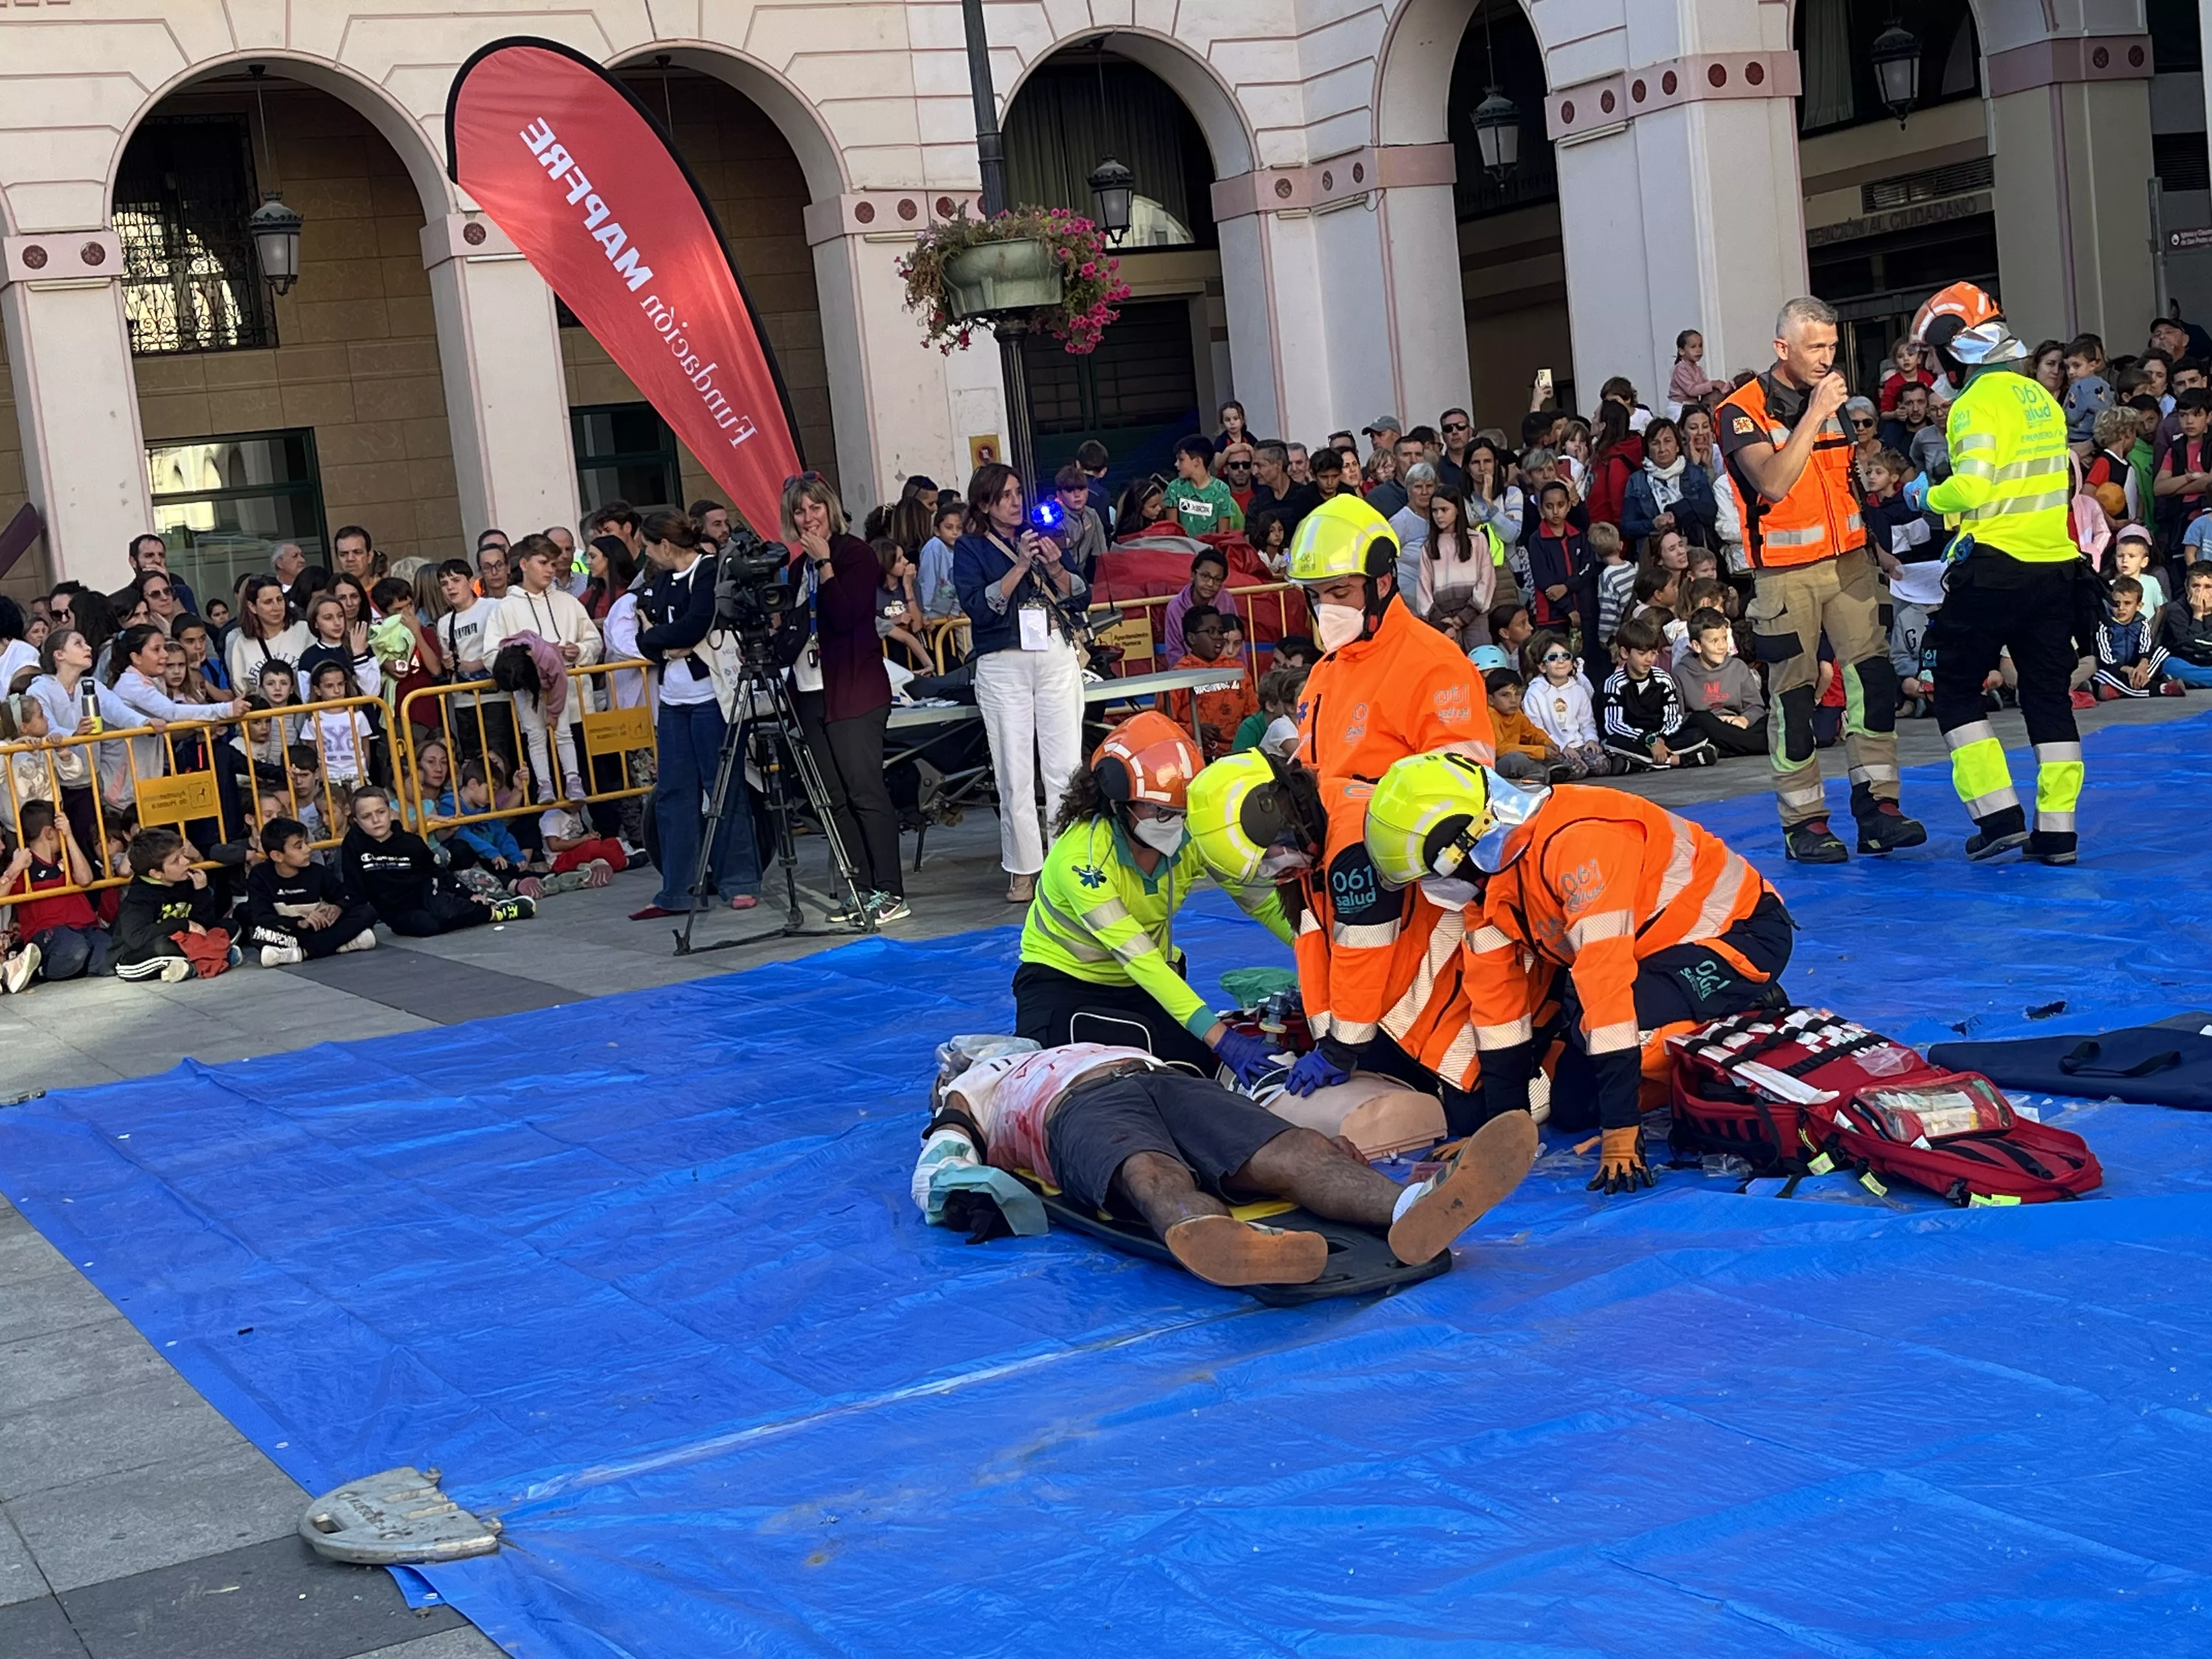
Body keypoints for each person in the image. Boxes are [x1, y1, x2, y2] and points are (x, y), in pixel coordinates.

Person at [1368, 751, 1793, 1193]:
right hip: (1649, 956)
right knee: (1573, 1108)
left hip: (1737, 937)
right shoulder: (1486, 889)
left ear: (1463, 844)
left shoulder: (1582, 844)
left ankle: (1749, 1008)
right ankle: (1682, 1038)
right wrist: (1500, 1135)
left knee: (1626, 1036)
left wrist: (1622, 1135)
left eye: (1430, 876)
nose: (1430, 891)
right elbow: (1497, 1009)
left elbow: (1608, 993)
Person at [918, 1038, 1536, 1288]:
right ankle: (1233, 1241)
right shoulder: (972, 1090)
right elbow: (941, 1161)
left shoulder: (1076, 1045)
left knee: (1295, 1150)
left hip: (1160, 1080)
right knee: (1149, 1170)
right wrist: (965, 1190)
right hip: (1073, 1110)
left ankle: (1412, 1206)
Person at [1280, 495, 1495, 1106]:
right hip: (1345, 901)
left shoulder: (1433, 665)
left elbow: (1460, 799)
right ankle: (1346, 1035)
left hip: (1410, 896)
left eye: (1339, 592)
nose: (1327, 607)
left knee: (1432, 1056)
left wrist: (1357, 809)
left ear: (1379, 583)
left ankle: (1359, 1040)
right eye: (1316, 593)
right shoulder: (1328, 671)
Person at [1718, 296, 1922, 862]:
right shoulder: (1742, 410)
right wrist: (1813, 414)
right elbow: (1774, 484)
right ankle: (1803, 821)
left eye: (1832, 347)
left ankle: (1879, 807)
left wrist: (1877, 547)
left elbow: (1845, 484)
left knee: (1873, 683)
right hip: (1786, 575)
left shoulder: (1828, 399)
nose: (1827, 358)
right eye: (1815, 347)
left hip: (1852, 561)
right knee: (1794, 699)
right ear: (1783, 348)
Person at [1906, 281, 2089, 865]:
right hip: (2055, 568)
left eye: (1936, 358)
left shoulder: (1975, 404)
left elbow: (1975, 486)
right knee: (2046, 697)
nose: (1936, 372)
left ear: (1957, 349)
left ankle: (1998, 816)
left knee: (1955, 687)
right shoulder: (2040, 398)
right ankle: (2058, 835)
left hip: (1994, 569)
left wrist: (1924, 496)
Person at [1014, 713, 1290, 1076]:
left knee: (1191, 1068)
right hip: (1066, 985)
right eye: (1160, 812)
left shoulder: (1190, 836)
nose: (1175, 822)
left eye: (1181, 811)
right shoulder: (1083, 860)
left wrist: (1322, 952)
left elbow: (1264, 903)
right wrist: (1224, 1040)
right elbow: (1138, 957)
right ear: (1118, 801)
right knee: (1089, 1079)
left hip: (1145, 984)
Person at [954, 461, 1090, 905]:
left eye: (1018, 493)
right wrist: (1018, 565)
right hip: (1003, 661)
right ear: (985, 503)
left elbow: (1079, 593)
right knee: (1013, 769)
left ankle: (1068, 860)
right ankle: (1023, 869)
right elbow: (980, 607)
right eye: (1005, 495)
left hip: (1053, 653)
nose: (1015, 503)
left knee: (1065, 765)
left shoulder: (1043, 535)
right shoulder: (971, 549)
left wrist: (1053, 567)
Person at [627, 508, 760, 921]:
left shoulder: (708, 572)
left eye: (649, 547)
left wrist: (661, 638)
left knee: (722, 785)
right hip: (674, 700)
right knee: (672, 793)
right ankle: (678, 887)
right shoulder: (661, 582)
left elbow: (697, 624)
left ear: (664, 545)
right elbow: (645, 638)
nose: (648, 556)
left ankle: (740, 880)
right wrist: (665, 643)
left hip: (709, 698)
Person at [783, 476, 906, 923]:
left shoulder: (854, 554)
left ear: (830, 510)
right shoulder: (798, 569)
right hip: (811, 692)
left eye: (815, 508)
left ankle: (891, 891)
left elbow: (848, 615)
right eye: (800, 511)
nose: (808, 518)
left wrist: (827, 565)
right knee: (834, 797)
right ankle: (862, 888)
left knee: (864, 790)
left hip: (854, 690)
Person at [483, 533, 601, 804]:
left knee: (588, 778)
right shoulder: (505, 609)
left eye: (553, 563)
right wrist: (524, 664)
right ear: (524, 564)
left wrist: (579, 651)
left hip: (576, 705)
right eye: (544, 562)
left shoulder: (569, 603)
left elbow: (594, 641)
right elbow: (492, 655)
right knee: (538, 749)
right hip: (531, 695)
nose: (551, 569)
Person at [340, 788, 533, 935]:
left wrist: (468, 894)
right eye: (367, 816)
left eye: (380, 812)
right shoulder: (354, 844)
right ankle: (479, 910)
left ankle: (493, 911)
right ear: (356, 821)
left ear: (390, 812)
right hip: (397, 911)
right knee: (429, 926)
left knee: (447, 908)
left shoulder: (410, 843)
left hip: (427, 894)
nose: (376, 820)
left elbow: (438, 872)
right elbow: (353, 884)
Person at [244, 816, 379, 966]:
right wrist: (299, 923)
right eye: (298, 846)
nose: (308, 849)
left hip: (318, 930)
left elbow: (348, 896)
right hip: (290, 929)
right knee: (259, 932)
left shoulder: (318, 873)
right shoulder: (261, 876)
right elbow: (261, 916)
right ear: (277, 856)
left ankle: (301, 953)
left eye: (306, 843)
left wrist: (339, 907)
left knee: (367, 912)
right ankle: (344, 944)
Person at [1, 800, 109, 979]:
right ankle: (39, 971)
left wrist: (70, 837)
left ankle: (73, 968)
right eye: (61, 829)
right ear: (49, 832)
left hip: (85, 927)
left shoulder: (67, 856)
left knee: (109, 955)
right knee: (76, 950)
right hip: (50, 933)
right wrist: (15, 869)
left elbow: (86, 879)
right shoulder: (24, 863)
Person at [112, 825, 233, 983]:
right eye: (176, 861)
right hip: (135, 956)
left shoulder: (185, 881)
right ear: (156, 874)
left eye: (182, 854)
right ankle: (212, 957)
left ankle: (193, 964)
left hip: (183, 942)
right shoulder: (139, 898)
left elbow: (204, 925)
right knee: (163, 947)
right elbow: (136, 938)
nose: (185, 861)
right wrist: (182, 924)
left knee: (229, 927)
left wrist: (201, 893)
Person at [1600, 613, 1714, 770]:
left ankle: (1638, 764)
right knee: (1611, 743)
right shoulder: (1614, 683)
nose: (1649, 659)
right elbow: (1614, 725)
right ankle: (1678, 761)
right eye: (1642, 654)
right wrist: (1649, 740)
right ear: (1625, 653)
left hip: (1663, 739)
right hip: (1635, 739)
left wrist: (1659, 740)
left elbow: (1674, 719)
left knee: (1699, 735)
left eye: (1653, 653)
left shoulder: (1664, 679)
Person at [1163, 607, 1257, 759]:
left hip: (1239, 754)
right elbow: (1164, 726)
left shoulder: (1238, 670)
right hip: (1196, 757)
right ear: (1192, 639)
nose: (1218, 638)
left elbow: (1252, 715)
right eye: (1211, 632)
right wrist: (1195, 730)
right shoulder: (1177, 677)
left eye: (1220, 632)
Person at [1673, 607, 1770, 755]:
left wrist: (1744, 720)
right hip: (1708, 729)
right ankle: (1759, 745)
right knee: (1701, 720)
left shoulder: (1738, 667)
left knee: (1774, 720)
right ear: (1697, 646)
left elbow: (1756, 707)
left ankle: (1731, 747)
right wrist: (1716, 721)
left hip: (1736, 726)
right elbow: (1678, 719)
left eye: (1724, 639)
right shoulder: (1681, 673)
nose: (1722, 646)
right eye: (1714, 641)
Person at [1519, 629, 1609, 777]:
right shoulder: (1535, 693)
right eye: (1553, 658)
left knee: (1602, 766)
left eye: (1566, 656)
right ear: (1542, 666)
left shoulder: (1578, 690)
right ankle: (1549, 769)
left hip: (1578, 744)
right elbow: (1536, 728)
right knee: (1578, 770)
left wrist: (1591, 739)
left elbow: (1587, 721)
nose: (1561, 661)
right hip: (1553, 746)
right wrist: (1561, 746)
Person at [1620, 417, 1716, 552]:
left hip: (1694, 550)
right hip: (1656, 554)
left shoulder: (1696, 473)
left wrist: (1678, 514)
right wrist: (1653, 524)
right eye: (1655, 443)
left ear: (1677, 446)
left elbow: (1710, 510)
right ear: (1648, 448)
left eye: (1668, 441)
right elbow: (1627, 527)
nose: (1662, 449)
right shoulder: (1636, 481)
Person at [2092, 578, 2182, 700]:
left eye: (2127, 603)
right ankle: (2162, 688)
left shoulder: (2142, 622)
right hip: (2116, 669)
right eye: (2116, 603)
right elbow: (2106, 659)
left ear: (2139, 606)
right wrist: (2128, 670)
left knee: (2162, 652)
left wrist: (2142, 667)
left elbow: (2146, 648)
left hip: (2138, 667)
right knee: (2102, 674)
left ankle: (2126, 687)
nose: (2121, 608)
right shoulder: (2104, 624)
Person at [225, 575, 309, 697]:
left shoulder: (304, 630)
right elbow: (241, 691)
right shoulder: (242, 643)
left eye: (280, 600)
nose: (277, 607)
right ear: (252, 607)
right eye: (268, 602)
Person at [1160, 546, 1238, 665]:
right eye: (1205, 576)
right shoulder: (1175, 608)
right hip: (1190, 673)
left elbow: (1236, 639)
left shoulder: (1226, 600)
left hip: (1224, 670)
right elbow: (1175, 652)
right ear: (1193, 575)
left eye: (1217, 580)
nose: (1211, 584)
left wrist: (1240, 674)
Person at [1484, 670, 1562, 782]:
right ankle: (1541, 775)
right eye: (1505, 695)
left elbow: (1531, 732)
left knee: (1547, 756)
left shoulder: (1517, 713)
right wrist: (1540, 751)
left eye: (1517, 694)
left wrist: (1547, 742)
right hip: (1494, 764)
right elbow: (1500, 750)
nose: (1513, 700)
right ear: (1490, 699)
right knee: (1517, 759)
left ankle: (1549, 771)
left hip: (1516, 754)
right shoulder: (1489, 714)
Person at [1165, 436, 1243, 536]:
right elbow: (1173, 532)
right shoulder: (1175, 488)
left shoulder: (1221, 490)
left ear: (1197, 461)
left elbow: (1223, 535)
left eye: (1181, 460)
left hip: (1210, 549)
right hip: (1184, 548)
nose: (1176, 464)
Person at [1583, 400, 1643, 528]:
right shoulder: (1601, 455)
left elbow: (1618, 509)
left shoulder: (1616, 462)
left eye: (1595, 416)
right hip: (1596, 532)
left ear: (1603, 425)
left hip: (1609, 538)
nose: (1592, 420)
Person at [2157, 562, 2212, 687]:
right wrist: (2198, 615)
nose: (2201, 592)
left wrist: (2208, 615)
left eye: (2208, 587)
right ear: (2187, 588)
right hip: (2186, 661)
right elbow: (2188, 647)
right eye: (2196, 586)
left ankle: (2200, 680)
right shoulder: (2176, 610)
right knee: (2170, 665)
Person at [2062, 334, 2114, 448]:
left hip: (2079, 438)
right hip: (2099, 438)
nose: (2071, 372)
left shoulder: (2079, 386)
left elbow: (2072, 416)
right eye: (2067, 367)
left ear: (2093, 365)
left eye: (2077, 366)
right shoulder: (2104, 384)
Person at [1668, 328, 1731, 415]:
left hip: (1691, 405)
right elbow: (1692, 390)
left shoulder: (1698, 369)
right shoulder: (1680, 369)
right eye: (1693, 347)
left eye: (1700, 346)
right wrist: (1712, 384)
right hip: (1679, 406)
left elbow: (1704, 386)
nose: (1698, 350)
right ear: (1682, 351)